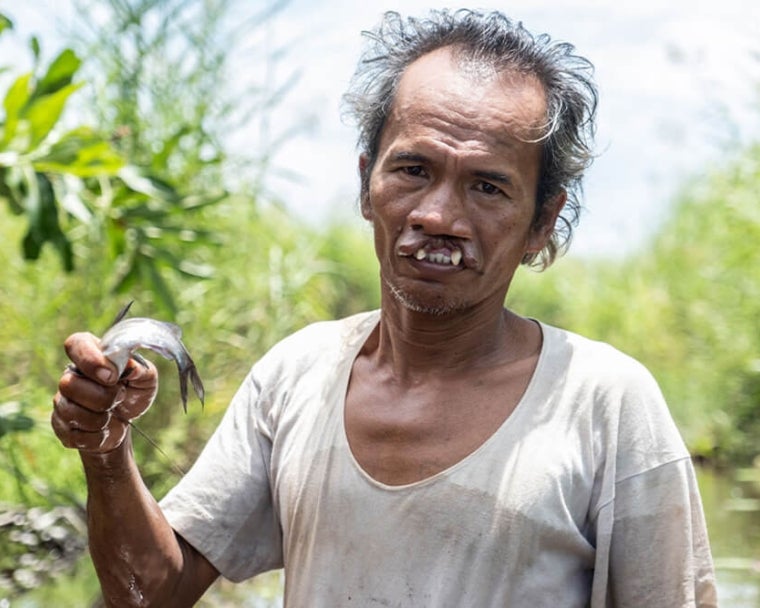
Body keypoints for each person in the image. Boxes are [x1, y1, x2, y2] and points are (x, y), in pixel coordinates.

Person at [52, 8, 717, 607]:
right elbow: (149, 592)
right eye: (413, 170)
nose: (437, 216)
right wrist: (105, 449)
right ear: (367, 183)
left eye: (488, 187)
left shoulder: (608, 405)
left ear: (542, 222)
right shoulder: (298, 376)